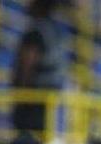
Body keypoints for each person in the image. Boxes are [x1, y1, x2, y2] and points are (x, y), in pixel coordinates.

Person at [11, 0, 68, 133]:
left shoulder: (36, 31)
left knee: (27, 134)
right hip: (50, 94)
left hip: (33, 95)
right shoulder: (56, 29)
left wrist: (21, 92)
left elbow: (28, 62)